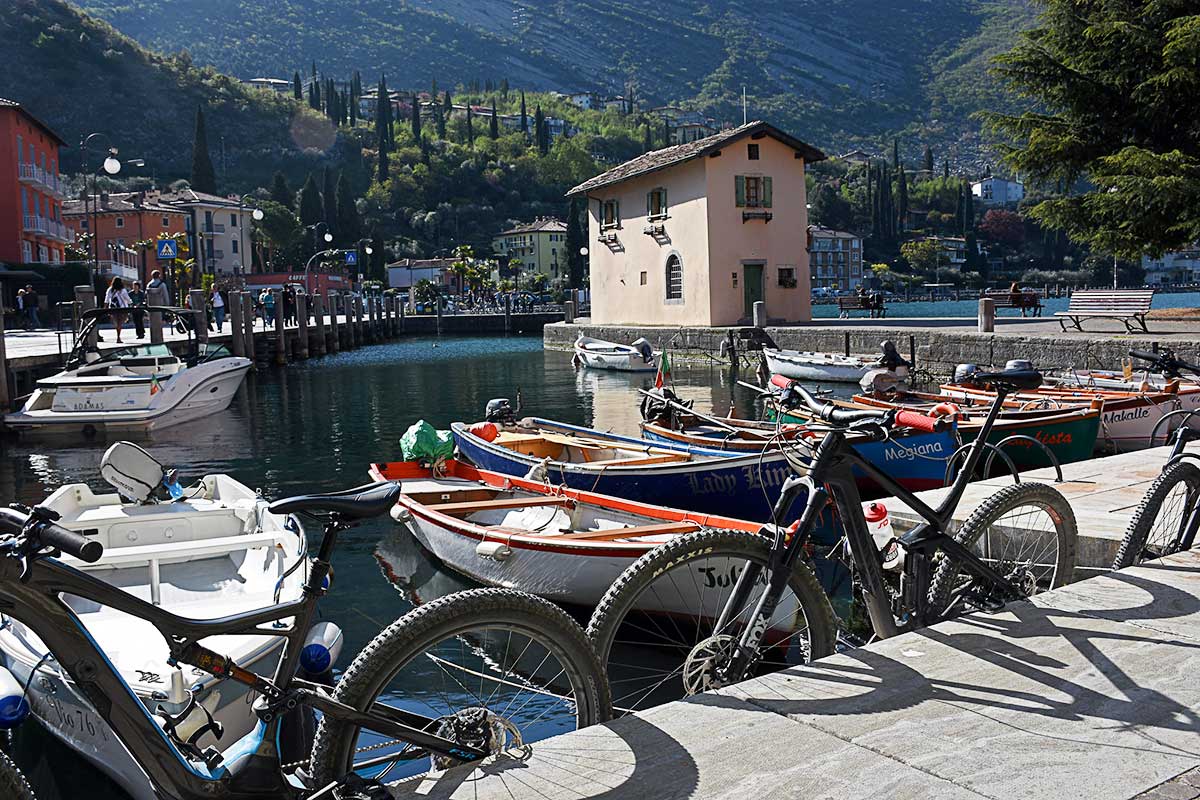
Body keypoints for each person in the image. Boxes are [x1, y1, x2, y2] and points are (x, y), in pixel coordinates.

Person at [104, 277, 132, 343]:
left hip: (113, 309)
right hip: (122, 309)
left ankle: (118, 334)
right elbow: (127, 299)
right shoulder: (123, 290)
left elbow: (107, 299)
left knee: (116, 322)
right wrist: (131, 303)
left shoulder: (110, 290)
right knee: (120, 322)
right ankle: (118, 336)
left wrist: (105, 308)